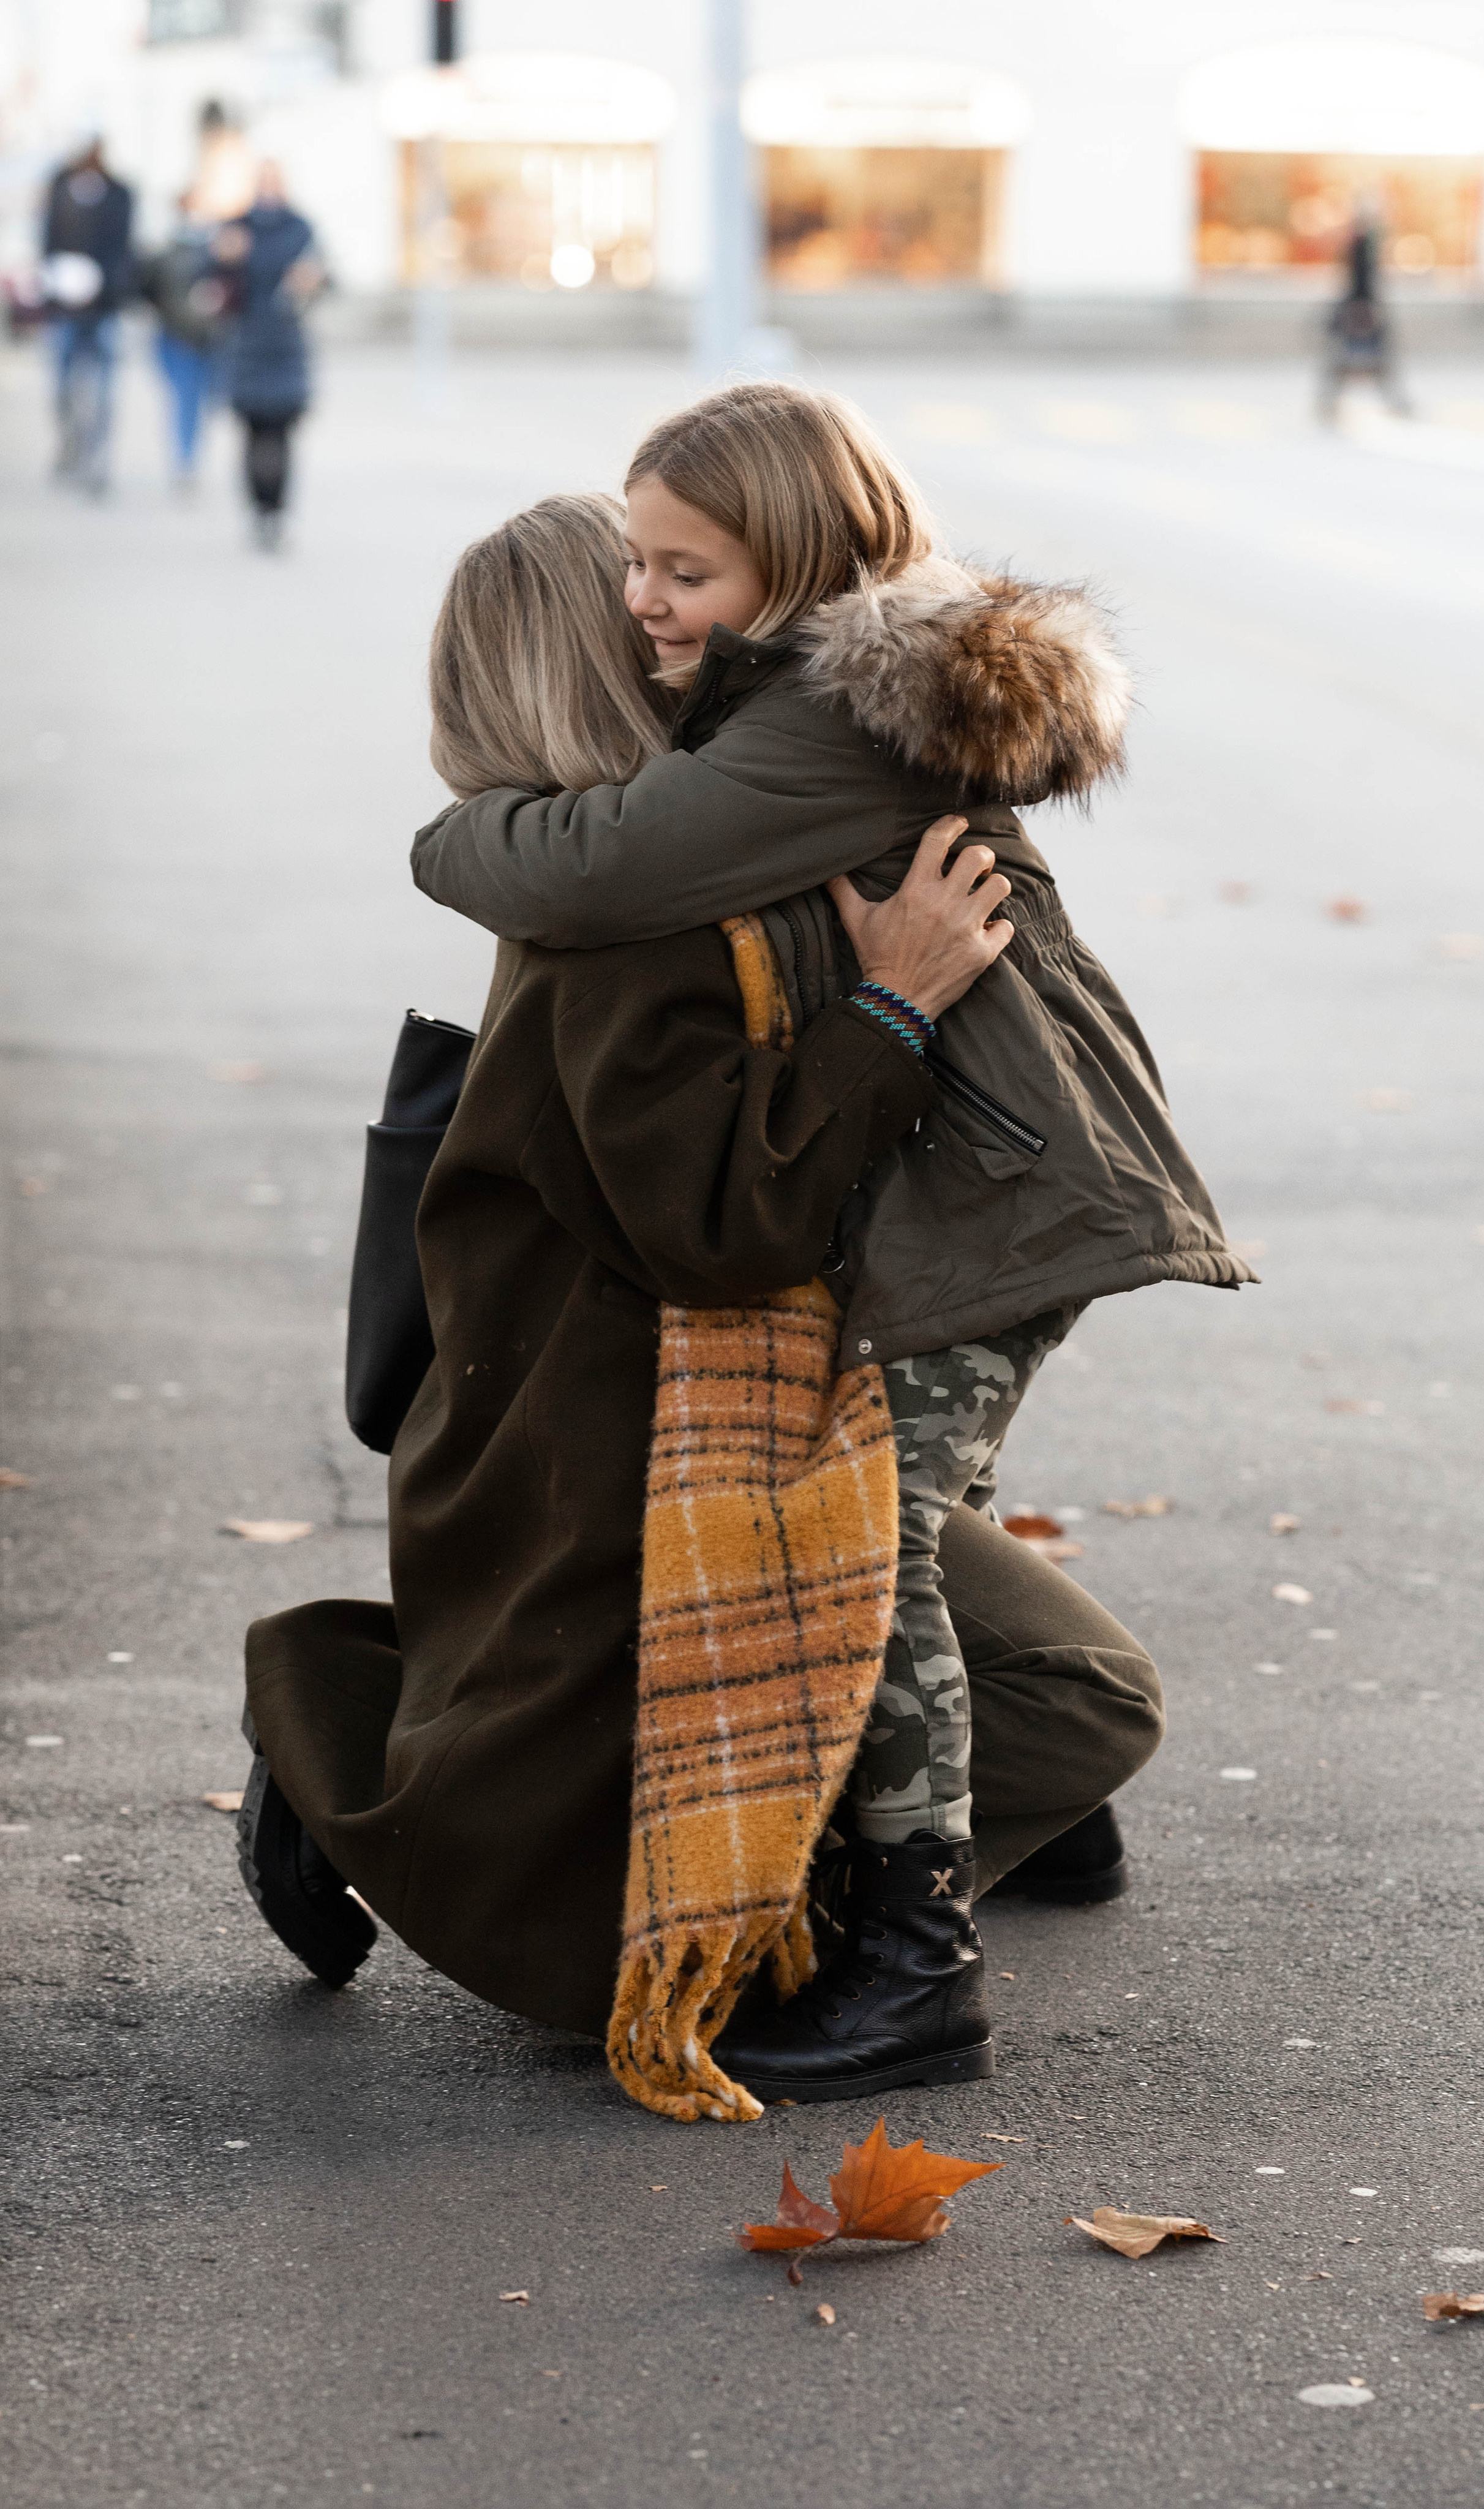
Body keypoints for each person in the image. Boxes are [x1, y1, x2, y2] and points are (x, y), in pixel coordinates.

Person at [239, 494, 1168, 2119]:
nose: (695, 631)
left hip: (584, 1445)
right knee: (1055, 1710)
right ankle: (350, 1750)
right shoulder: (638, 927)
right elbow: (734, 1234)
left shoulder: (632, 870)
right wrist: (894, 1005)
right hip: (638, 1464)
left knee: (1042, 1705)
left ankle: (873, 1815)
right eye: (647, 599)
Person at [214, 160, 320, 547]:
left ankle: (276, 511)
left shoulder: (300, 228)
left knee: (281, 435)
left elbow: (323, 278)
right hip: (245, 344)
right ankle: (258, 509)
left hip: (286, 344)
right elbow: (210, 283)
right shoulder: (236, 228)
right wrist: (225, 259)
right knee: (252, 434)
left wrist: (311, 281)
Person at [40, 138, 135, 495]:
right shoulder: (60, 188)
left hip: (104, 306)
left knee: (103, 391)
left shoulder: (119, 194)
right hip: (64, 306)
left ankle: (97, 459)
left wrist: (105, 284)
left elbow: (124, 249)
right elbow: (47, 241)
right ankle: (71, 440)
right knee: (62, 385)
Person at [140, 191, 225, 490]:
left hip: (212, 338)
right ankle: (186, 461)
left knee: (209, 401)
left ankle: (192, 456)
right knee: (184, 400)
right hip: (176, 336)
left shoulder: (220, 250)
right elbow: (148, 291)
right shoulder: (164, 252)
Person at [1319, 211, 1410, 423]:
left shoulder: (1363, 249)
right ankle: (1329, 401)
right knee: (1347, 360)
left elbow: (1362, 281)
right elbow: (1359, 281)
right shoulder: (1360, 249)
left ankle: (1329, 401)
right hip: (1360, 307)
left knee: (1365, 360)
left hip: (1361, 307)